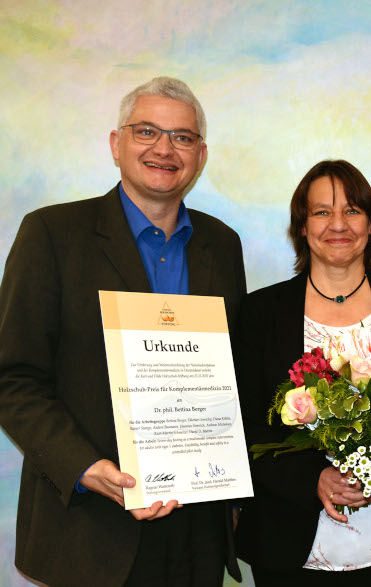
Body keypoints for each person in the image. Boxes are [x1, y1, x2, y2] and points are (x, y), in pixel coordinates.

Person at [0, 77, 245, 586]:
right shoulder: (51, 234)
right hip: (88, 529)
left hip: (197, 531)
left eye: (182, 137)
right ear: (117, 144)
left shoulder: (222, 246)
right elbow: (13, 377)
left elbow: (233, 374)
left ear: (200, 155)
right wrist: (83, 466)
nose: (164, 148)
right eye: (147, 131)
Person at [234, 159, 371, 586]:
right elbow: (246, 425)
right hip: (287, 539)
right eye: (321, 211)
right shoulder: (260, 312)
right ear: (302, 226)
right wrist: (315, 477)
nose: (338, 224)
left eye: (352, 210)